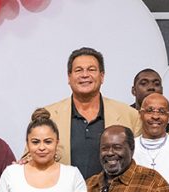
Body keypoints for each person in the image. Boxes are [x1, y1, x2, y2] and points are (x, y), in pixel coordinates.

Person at [43, 47, 143, 179]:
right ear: (69, 77)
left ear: (102, 76)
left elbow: (140, 163)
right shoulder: (48, 116)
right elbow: (30, 159)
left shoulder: (130, 115)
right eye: (78, 70)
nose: (85, 75)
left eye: (91, 69)